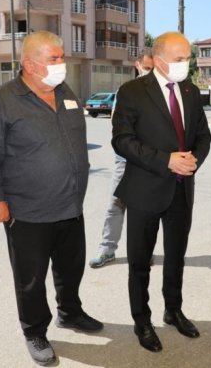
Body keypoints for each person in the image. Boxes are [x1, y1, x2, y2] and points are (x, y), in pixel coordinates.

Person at [0, 31, 102, 367]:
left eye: (62, 57)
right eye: (54, 58)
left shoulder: (65, 93)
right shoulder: (2, 100)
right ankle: (34, 331)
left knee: (71, 267)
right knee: (30, 279)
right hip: (27, 210)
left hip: (70, 205)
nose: (62, 64)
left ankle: (69, 312)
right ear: (30, 64)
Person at [112, 32, 211, 352]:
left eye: (188, 59)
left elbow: (203, 136)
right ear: (158, 59)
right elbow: (122, 140)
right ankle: (142, 321)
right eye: (179, 59)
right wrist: (166, 160)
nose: (186, 65)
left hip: (181, 190)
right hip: (144, 190)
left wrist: (193, 160)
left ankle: (174, 310)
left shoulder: (190, 91)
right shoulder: (132, 91)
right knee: (140, 262)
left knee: (176, 257)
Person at [89, 53, 154, 268]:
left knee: (144, 210)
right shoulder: (126, 92)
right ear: (137, 65)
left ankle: (143, 252)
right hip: (125, 161)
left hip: (149, 162)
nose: (149, 72)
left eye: (153, 69)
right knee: (115, 205)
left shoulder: (161, 93)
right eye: (146, 68)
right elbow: (118, 126)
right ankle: (107, 250)